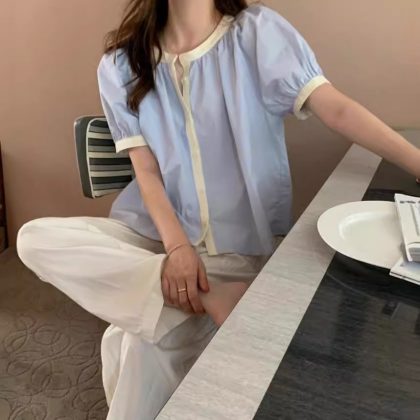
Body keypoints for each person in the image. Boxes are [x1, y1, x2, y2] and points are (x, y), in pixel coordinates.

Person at [16, 0, 420, 419]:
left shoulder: (257, 34)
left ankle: (172, 300)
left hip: (235, 248)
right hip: (149, 238)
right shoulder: (121, 63)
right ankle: (206, 295)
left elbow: (336, 109)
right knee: (34, 239)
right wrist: (177, 251)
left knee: (140, 344)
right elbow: (146, 173)